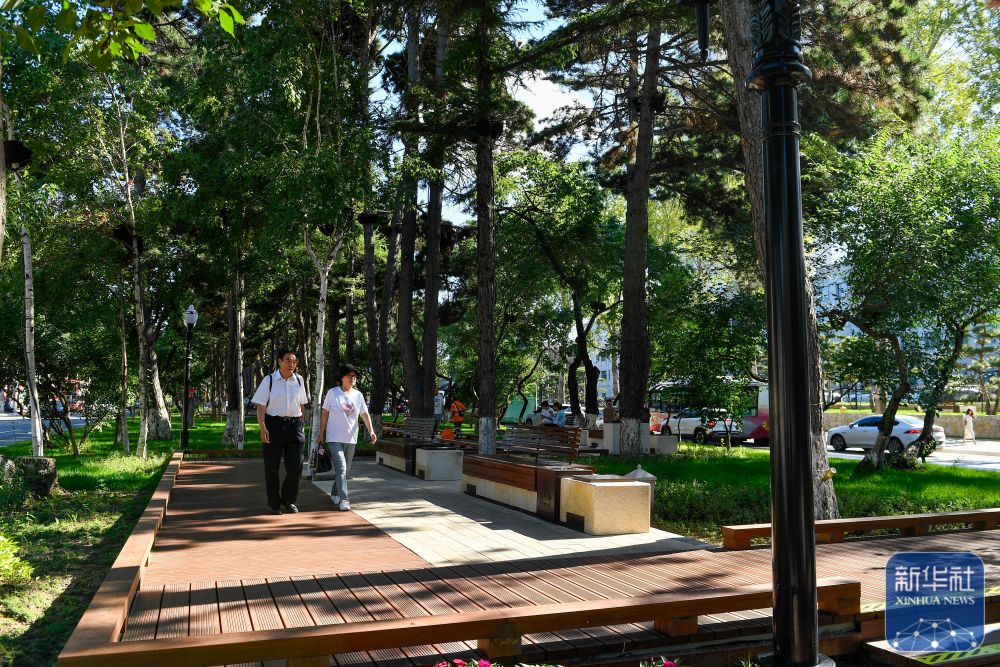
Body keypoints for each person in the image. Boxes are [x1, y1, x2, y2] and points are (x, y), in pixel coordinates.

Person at [250, 349, 309, 515]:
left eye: (294, 361)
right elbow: (261, 406)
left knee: (296, 466)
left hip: (295, 426)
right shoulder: (269, 380)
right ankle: (275, 503)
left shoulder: (299, 380)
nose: (292, 364)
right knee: (272, 468)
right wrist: (263, 427)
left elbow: (302, 404)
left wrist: (301, 423)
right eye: (288, 360)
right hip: (273, 425)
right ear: (279, 361)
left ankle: (288, 500)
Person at [318, 364, 376, 511]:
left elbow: (365, 414)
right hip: (334, 437)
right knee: (342, 467)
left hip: (351, 437)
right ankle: (344, 500)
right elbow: (325, 413)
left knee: (345, 470)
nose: (352, 378)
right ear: (342, 377)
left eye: (354, 376)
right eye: (349, 376)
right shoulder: (333, 393)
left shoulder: (358, 395)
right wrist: (321, 433)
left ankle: (335, 492)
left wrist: (371, 431)